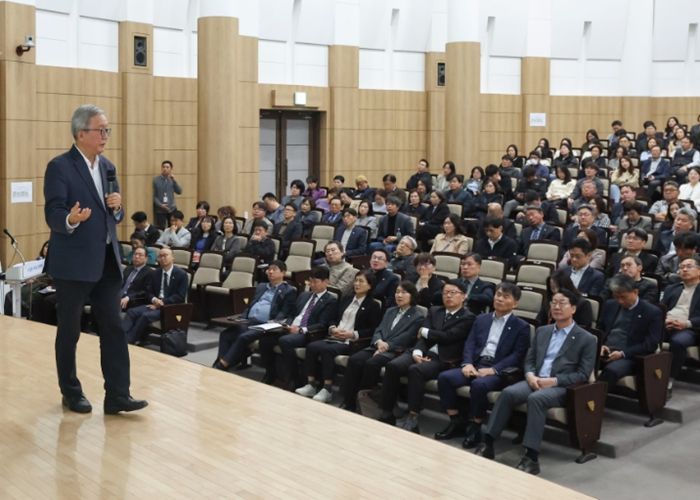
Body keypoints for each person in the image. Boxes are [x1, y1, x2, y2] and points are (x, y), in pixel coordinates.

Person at [43, 104, 147, 414]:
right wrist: (71, 219)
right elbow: (53, 212)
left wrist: (118, 207)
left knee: (113, 327)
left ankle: (118, 395)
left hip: (107, 262)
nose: (105, 135)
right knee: (70, 330)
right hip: (73, 264)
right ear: (80, 133)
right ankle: (71, 392)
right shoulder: (60, 167)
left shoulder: (108, 167)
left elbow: (113, 216)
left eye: (107, 130)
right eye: (100, 130)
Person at [474, 288, 597, 475]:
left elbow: (582, 374)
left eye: (562, 303)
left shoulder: (586, 338)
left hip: (562, 386)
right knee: (508, 393)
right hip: (535, 380)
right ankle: (488, 442)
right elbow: (529, 360)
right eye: (554, 302)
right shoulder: (542, 331)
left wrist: (554, 381)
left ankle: (531, 457)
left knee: (536, 399)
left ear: (573, 309)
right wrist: (530, 375)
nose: (556, 307)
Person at [436, 283, 530, 447]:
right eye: (498, 295)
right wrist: (467, 363)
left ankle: (475, 426)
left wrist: (494, 370)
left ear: (515, 303)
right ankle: (456, 421)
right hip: (476, 364)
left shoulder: (521, 326)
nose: (500, 299)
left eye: (505, 297)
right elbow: (470, 343)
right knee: (445, 378)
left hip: (499, 370)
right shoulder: (481, 319)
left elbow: (517, 355)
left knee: (479, 385)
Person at [379, 280, 476, 433]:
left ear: (463, 296)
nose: (448, 296)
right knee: (393, 366)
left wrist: (426, 332)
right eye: (445, 293)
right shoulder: (435, 311)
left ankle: (413, 415)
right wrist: (417, 352)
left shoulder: (468, 317)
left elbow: (449, 337)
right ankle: (387, 411)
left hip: (444, 358)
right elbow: (423, 337)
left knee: (416, 370)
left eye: (453, 293)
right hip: (422, 351)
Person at [295, 270, 382, 403]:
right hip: (334, 337)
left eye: (361, 281)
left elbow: (372, 330)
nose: (357, 284)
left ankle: (327, 389)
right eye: (356, 280)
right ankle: (311, 384)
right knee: (312, 346)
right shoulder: (346, 299)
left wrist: (352, 334)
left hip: (351, 341)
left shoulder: (373, 305)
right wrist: (332, 328)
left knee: (327, 350)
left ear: (370, 286)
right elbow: (333, 318)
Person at [338, 281, 425, 412]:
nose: (399, 295)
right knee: (355, 360)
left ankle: (364, 402)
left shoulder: (417, 316)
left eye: (403, 292)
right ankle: (348, 401)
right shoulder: (390, 311)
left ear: (412, 295)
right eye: (397, 292)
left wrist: (386, 346)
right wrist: (378, 342)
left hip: (395, 351)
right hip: (378, 346)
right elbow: (378, 329)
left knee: (372, 363)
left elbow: (407, 337)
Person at [258, 266, 338, 388]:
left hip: (308, 333)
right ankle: (270, 373)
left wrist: (301, 329)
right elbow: (292, 314)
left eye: (315, 282)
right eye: (310, 281)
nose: (312, 285)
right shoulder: (304, 295)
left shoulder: (330, 300)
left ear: (326, 282)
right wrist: (287, 324)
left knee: (285, 341)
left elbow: (323, 324)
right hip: (291, 327)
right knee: (265, 338)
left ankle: (293, 379)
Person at [213, 261, 297, 371]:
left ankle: (222, 365)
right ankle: (222, 360)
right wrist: (242, 318)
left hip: (265, 324)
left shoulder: (289, 290)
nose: (270, 272)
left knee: (243, 337)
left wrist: (273, 323)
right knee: (226, 334)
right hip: (249, 321)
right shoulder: (261, 286)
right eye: (269, 269)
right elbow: (251, 304)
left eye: (274, 269)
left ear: (283, 273)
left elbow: (284, 312)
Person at [597, 274, 663, 388]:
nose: (620, 301)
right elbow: (600, 330)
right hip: (606, 351)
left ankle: (594, 397)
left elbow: (650, 344)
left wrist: (623, 353)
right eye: (616, 297)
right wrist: (601, 345)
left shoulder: (652, 312)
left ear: (635, 292)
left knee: (611, 371)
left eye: (623, 297)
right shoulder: (610, 305)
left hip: (630, 356)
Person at [122, 248, 188, 345]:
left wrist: (162, 303)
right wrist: (154, 299)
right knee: (131, 312)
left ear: (173, 257)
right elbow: (148, 292)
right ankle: (120, 336)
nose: (162, 258)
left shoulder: (181, 274)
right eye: (160, 256)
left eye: (165, 255)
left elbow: (180, 296)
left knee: (145, 315)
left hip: (170, 307)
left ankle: (128, 340)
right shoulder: (155, 273)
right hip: (154, 304)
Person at [661, 256, 700, 398]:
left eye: (689, 267)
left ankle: (669, 379)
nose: (684, 269)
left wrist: (686, 323)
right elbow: (660, 308)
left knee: (678, 342)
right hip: (666, 323)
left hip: (690, 328)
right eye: (681, 267)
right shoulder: (672, 288)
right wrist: (663, 319)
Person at [119, 247, 155, 311]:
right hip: (118, 296)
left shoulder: (150, 272)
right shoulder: (128, 268)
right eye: (135, 254)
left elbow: (145, 291)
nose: (136, 256)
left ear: (146, 258)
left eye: (140, 255)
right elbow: (120, 284)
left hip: (133, 300)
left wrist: (128, 297)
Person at [152, 159, 182, 229]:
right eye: (163, 167)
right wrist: (160, 205)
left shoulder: (172, 180)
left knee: (173, 227)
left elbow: (179, 191)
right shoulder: (156, 180)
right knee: (161, 228)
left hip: (172, 208)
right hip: (160, 209)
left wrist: (174, 180)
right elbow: (154, 196)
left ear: (171, 169)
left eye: (167, 167)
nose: (165, 169)